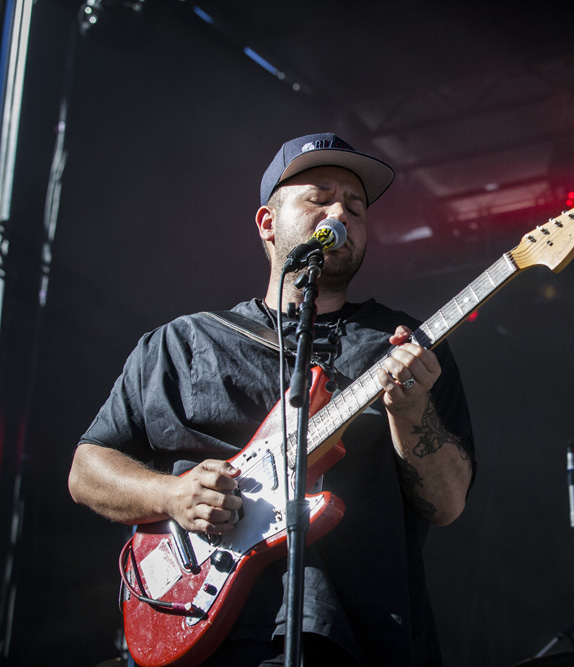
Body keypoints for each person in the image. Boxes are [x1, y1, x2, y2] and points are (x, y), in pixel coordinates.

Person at [67, 133, 476, 666]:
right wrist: (170, 495)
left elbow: (447, 504)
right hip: (201, 627)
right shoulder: (184, 342)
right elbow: (86, 470)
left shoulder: (403, 346)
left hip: (359, 637)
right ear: (267, 223)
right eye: (319, 198)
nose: (341, 213)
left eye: (355, 207)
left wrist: (410, 409)